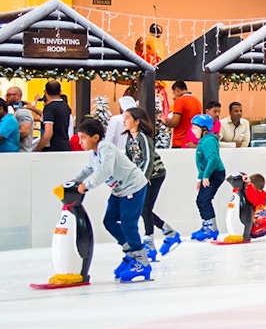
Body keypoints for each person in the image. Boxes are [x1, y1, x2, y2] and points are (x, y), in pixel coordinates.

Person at [70, 118, 151, 281]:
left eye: (83, 137)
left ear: (95, 137)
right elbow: (89, 169)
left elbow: (105, 171)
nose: (80, 141)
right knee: (109, 221)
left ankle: (141, 260)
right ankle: (130, 253)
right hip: (119, 190)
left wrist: (87, 185)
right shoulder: (94, 153)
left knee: (128, 223)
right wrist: (74, 181)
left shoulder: (106, 148)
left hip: (133, 187)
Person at [123, 106, 181, 258]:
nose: (124, 121)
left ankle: (150, 241)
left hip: (154, 176)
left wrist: (142, 178)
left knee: (144, 208)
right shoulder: (130, 140)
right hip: (142, 178)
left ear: (137, 121)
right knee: (143, 208)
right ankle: (169, 232)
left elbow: (148, 159)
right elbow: (129, 162)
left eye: (128, 118)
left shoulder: (143, 138)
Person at [188, 113, 227, 242]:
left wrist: (206, 176)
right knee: (201, 200)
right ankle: (207, 226)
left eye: (195, 128)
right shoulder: (203, 141)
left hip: (215, 174)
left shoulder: (208, 141)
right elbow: (202, 163)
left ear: (204, 128)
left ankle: (211, 228)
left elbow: (213, 159)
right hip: (209, 174)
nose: (193, 131)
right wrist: (200, 178)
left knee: (204, 200)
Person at [35, 81, 72, 152]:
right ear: (60, 91)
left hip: (53, 148)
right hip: (65, 145)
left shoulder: (49, 108)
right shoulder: (65, 106)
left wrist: (37, 148)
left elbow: (48, 133)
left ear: (45, 92)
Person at [166, 80, 202, 148]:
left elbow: (174, 123)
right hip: (193, 142)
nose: (174, 97)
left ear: (177, 90)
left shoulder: (179, 100)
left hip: (180, 142)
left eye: (173, 93)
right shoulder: (197, 102)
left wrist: (165, 122)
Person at [4, 86, 35, 152]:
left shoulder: (23, 112)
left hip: (22, 152)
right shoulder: (16, 113)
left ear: (18, 96)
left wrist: (2, 135)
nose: (6, 98)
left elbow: (24, 132)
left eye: (9, 95)